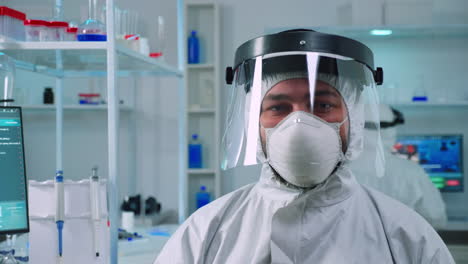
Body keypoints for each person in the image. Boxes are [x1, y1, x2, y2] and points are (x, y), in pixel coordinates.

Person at [154, 29, 454, 263]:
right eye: (278, 108)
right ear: (254, 123)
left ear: (354, 119)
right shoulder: (206, 232)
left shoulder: (405, 236)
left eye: (322, 105)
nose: (299, 125)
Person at [350, 104, 448, 229]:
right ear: (390, 130)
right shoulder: (411, 172)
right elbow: (436, 218)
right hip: (399, 246)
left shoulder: (338, 168)